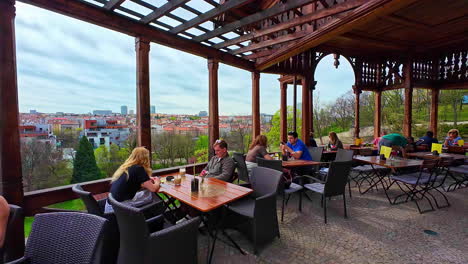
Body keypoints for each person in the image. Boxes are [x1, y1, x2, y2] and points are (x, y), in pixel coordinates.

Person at [105, 147, 160, 213]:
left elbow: (131, 182)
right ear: (145, 158)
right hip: (118, 209)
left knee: (146, 193)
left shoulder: (126, 167)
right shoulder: (139, 168)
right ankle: (156, 216)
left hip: (110, 205)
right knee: (152, 196)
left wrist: (146, 179)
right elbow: (153, 189)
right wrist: (157, 181)